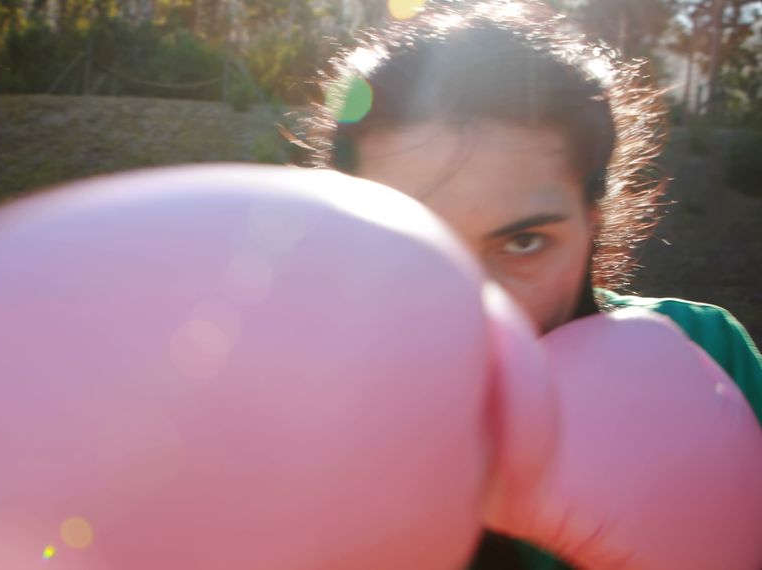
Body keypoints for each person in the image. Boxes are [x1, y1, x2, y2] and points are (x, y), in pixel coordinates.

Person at [299, 1, 762, 568]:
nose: (476, 309)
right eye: (416, 242)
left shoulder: (703, 349)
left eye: (523, 243)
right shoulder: (292, 407)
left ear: (593, 221)